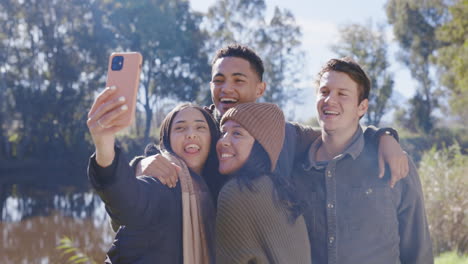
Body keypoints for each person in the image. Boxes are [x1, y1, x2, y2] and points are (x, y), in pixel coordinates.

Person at [137, 44, 408, 190]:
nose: (226, 89)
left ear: (260, 89)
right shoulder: (197, 128)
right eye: (218, 80)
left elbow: (337, 134)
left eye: (238, 80)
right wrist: (141, 163)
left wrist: (383, 136)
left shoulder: (285, 133)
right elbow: (159, 154)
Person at [293, 58, 433, 264]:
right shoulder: (297, 170)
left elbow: (418, 249)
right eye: (324, 92)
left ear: (362, 107)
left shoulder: (393, 162)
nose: (330, 100)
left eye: (342, 94)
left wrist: (384, 135)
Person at [86, 90, 221, 263]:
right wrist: (104, 145)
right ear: (167, 140)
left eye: (200, 127)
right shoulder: (164, 182)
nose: (190, 134)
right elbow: (127, 200)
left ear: (213, 138)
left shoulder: (215, 188)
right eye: (180, 128)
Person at [215, 102, 311, 264]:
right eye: (223, 132)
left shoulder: (237, 192)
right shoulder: (278, 189)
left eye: (237, 133)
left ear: (260, 146)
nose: (223, 141)